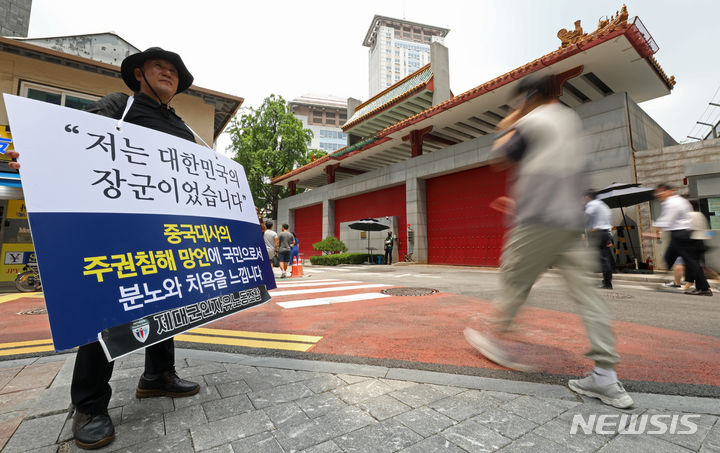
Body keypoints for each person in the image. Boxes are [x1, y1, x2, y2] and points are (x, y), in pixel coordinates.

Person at [8, 47, 204, 449]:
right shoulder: (120, 106)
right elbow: (75, 141)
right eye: (159, 67)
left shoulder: (183, 127)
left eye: (173, 70)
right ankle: (90, 405)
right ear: (138, 74)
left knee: (166, 298)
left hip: (166, 231)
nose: (168, 73)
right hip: (119, 227)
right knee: (111, 308)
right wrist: (35, 153)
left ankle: (157, 376)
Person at [463, 75, 633, 409]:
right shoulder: (571, 121)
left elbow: (499, 157)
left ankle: (497, 338)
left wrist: (510, 122)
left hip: (538, 219)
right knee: (587, 297)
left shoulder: (532, 120)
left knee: (514, 279)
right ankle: (606, 376)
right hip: (571, 222)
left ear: (529, 97)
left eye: (519, 100)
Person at [642, 184, 712, 296]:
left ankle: (704, 288)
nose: (658, 194)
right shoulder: (678, 201)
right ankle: (670, 279)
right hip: (680, 234)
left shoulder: (672, 202)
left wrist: (651, 231)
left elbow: (666, 220)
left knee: (691, 262)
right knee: (669, 257)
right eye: (657, 192)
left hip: (681, 235)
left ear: (669, 191)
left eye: (661, 191)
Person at [584, 190, 614, 289]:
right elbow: (608, 223)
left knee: (600, 258)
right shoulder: (604, 206)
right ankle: (607, 281)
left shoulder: (592, 204)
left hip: (598, 234)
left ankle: (606, 282)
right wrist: (609, 237)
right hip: (606, 233)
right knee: (605, 258)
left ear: (588, 197)